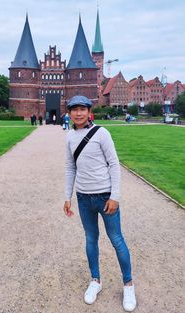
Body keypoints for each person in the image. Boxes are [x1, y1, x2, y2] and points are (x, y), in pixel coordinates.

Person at [63, 95, 136, 312]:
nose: (78, 113)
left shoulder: (102, 133)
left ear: (88, 111)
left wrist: (115, 196)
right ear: (69, 113)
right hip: (83, 198)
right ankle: (95, 280)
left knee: (116, 240)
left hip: (105, 197)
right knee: (90, 239)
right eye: (74, 110)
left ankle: (128, 285)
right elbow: (70, 168)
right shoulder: (69, 137)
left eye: (82, 109)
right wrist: (67, 197)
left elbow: (114, 165)